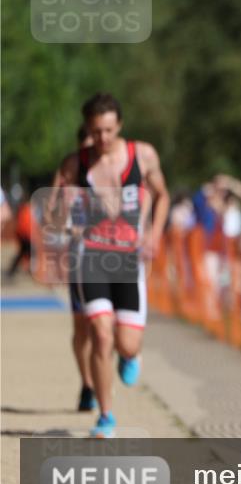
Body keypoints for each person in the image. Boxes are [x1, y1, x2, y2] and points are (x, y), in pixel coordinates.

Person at [55, 93, 170, 438]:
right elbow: (54, 209)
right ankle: (105, 416)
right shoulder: (77, 163)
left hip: (128, 259)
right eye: (95, 131)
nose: (102, 139)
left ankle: (130, 356)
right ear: (88, 129)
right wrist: (67, 218)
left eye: (107, 130)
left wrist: (154, 234)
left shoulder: (143, 155)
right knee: (100, 335)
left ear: (119, 125)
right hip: (90, 257)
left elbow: (162, 195)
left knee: (126, 343)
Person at [46, 125, 98, 411]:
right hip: (79, 259)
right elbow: (50, 211)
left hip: (109, 258)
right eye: (88, 148)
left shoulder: (113, 172)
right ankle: (87, 383)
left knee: (102, 326)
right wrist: (65, 222)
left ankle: (102, 375)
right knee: (82, 330)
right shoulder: (67, 171)